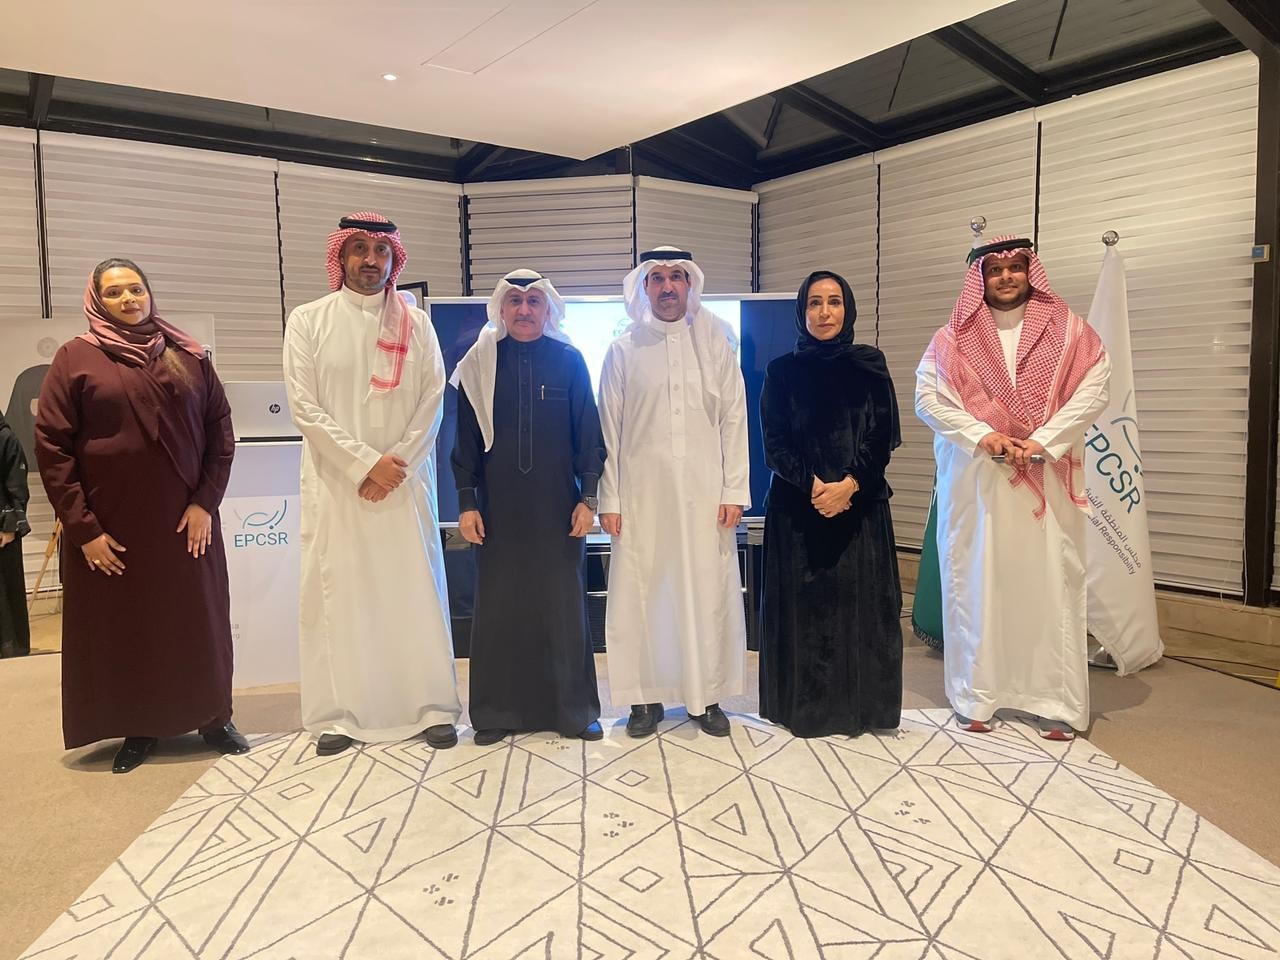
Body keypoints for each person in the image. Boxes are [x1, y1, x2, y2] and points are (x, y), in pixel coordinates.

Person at [34, 258, 249, 773]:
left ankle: (213, 718)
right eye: (114, 293)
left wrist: (205, 502)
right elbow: (53, 447)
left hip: (187, 523)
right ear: (96, 301)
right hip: (114, 527)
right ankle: (140, 726)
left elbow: (220, 432)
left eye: (135, 289)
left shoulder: (187, 354)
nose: (128, 299)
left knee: (198, 621)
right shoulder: (76, 358)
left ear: (150, 294)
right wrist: (84, 529)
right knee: (129, 626)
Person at [915, 236, 1111, 741]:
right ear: (979, 278)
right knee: (978, 586)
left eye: (1016, 267)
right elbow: (929, 400)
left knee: (1051, 588)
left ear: (1030, 272)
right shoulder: (951, 338)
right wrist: (983, 435)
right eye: (995, 270)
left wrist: (1043, 440)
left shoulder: (1070, 332)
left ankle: (1055, 703)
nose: (1006, 277)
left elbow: (1094, 389)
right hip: (979, 484)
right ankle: (976, 696)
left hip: (1044, 478)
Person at [284, 212, 461, 757]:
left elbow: (432, 401)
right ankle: (339, 714)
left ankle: (430, 706)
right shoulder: (308, 320)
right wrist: (365, 465)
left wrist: (393, 466)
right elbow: (304, 407)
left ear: (393, 259)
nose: (370, 260)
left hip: (404, 485)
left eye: (381, 251)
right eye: (359, 248)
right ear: (340, 256)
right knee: (340, 593)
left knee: (412, 589)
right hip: (338, 485)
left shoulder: (418, 324)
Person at [598, 247, 750, 738]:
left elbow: (734, 419)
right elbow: (609, 431)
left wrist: (734, 489)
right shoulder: (623, 350)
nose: (668, 287)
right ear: (644, 286)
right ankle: (644, 698)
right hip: (641, 499)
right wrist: (610, 499)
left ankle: (706, 696)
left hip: (706, 497)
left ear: (690, 285)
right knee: (643, 595)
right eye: (658, 278)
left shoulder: (716, 343)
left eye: (677, 277)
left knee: (706, 592)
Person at [451, 269, 605, 745]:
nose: (523, 310)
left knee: (563, 609)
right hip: (497, 512)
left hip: (558, 509)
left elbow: (589, 438)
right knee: (500, 609)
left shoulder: (569, 360)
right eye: (515, 301)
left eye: (533, 301)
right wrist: (467, 503)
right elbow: (465, 444)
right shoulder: (478, 364)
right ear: (500, 308)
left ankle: (574, 711)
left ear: (547, 309)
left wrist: (589, 498)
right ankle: (496, 712)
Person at [758, 270, 902, 737]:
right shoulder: (781, 371)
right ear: (802, 312)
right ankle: (804, 709)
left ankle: (862, 709)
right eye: (814, 303)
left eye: (834, 302)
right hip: (798, 511)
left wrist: (850, 484)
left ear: (848, 309)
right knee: (805, 615)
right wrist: (816, 486)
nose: (824, 312)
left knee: (859, 612)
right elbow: (774, 444)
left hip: (860, 508)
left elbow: (883, 435)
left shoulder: (870, 364)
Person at [0, 410, 31, 658]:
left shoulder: (5, 438)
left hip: (3, 529)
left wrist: (10, 525)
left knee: (7, 587)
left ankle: (13, 646)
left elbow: (17, 482)